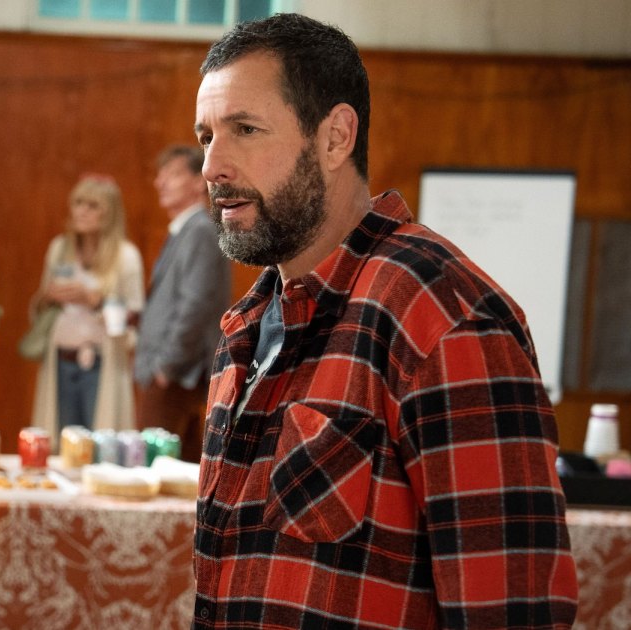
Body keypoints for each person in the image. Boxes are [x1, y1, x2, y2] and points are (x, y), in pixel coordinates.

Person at [192, 13, 577, 628]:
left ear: (335, 138)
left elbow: (512, 608)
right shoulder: (249, 323)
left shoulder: (442, 312)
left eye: (245, 129)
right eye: (207, 136)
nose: (213, 166)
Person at [133, 145, 230, 462]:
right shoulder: (187, 229)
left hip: (176, 374)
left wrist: (166, 366)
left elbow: (195, 305)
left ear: (198, 182)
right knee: (177, 469)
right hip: (173, 372)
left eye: (173, 174)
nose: (160, 182)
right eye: (160, 175)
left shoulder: (199, 229)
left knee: (154, 468)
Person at [29, 174, 143, 438]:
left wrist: (96, 301)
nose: (81, 211)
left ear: (110, 213)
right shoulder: (59, 249)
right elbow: (39, 311)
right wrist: (49, 297)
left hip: (102, 363)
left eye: (92, 206)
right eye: (78, 203)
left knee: (99, 443)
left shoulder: (126, 256)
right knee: (61, 443)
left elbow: (134, 321)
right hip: (60, 360)